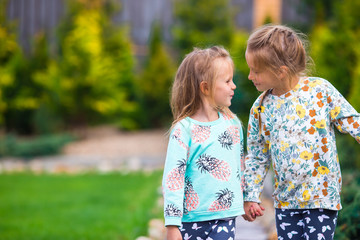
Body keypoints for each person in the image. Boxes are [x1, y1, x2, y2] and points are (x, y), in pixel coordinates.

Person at [242, 24, 360, 240]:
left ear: (280, 71)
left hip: (321, 198)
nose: (250, 76)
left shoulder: (320, 91)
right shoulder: (260, 108)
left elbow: (351, 121)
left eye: (256, 71)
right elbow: (257, 157)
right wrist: (250, 195)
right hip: (285, 203)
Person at [162, 46, 245, 240]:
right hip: (191, 220)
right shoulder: (183, 130)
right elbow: (174, 178)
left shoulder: (233, 125)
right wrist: (172, 225)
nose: (233, 86)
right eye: (227, 81)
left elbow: (239, 167)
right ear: (205, 87)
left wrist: (248, 199)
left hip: (225, 217)